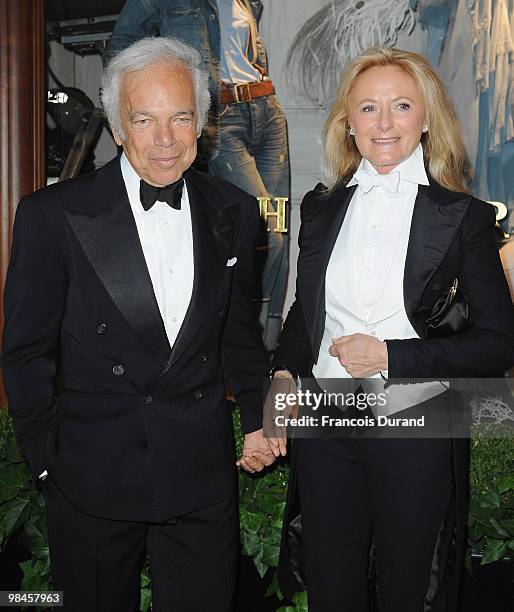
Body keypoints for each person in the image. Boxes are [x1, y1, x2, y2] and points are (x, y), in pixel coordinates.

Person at [2, 36, 281, 612]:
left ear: (201, 122)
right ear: (117, 125)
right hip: (91, 478)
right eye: (144, 119)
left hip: (199, 477)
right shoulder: (52, 215)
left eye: (181, 118)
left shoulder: (235, 210)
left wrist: (257, 416)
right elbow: (26, 353)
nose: (164, 140)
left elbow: (238, 337)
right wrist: (49, 464)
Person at [272, 48, 514, 611]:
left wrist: (391, 356)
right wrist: (283, 371)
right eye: (369, 108)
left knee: (411, 593)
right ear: (348, 124)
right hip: (326, 426)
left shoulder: (464, 217)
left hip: (416, 428)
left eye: (401, 106)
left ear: (426, 118)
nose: (384, 124)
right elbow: (306, 314)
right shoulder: (320, 206)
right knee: (331, 592)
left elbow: (500, 343)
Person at [105, 0, 290, 351]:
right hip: (220, 119)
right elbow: (120, 45)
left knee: (278, 226)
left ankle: (271, 344)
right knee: (263, 230)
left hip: (266, 112)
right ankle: (247, 339)